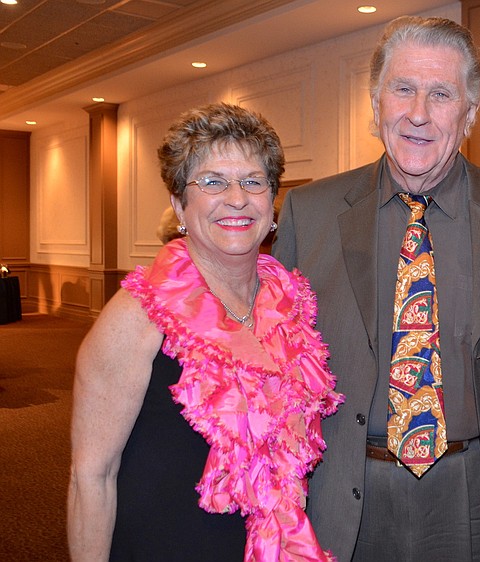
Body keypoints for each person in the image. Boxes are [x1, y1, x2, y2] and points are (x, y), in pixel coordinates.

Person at [273, 15, 480, 562]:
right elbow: (281, 355)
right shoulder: (308, 212)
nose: (418, 113)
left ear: (470, 114)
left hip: (479, 494)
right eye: (403, 89)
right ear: (376, 104)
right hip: (345, 496)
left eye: (441, 94)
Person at [67, 102, 343, 561]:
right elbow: (91, 477)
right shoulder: (138, 315)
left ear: (271, 200)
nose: (236, 198)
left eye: (253, 181)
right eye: (212, 181)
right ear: (179, 203)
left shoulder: (294, 304)